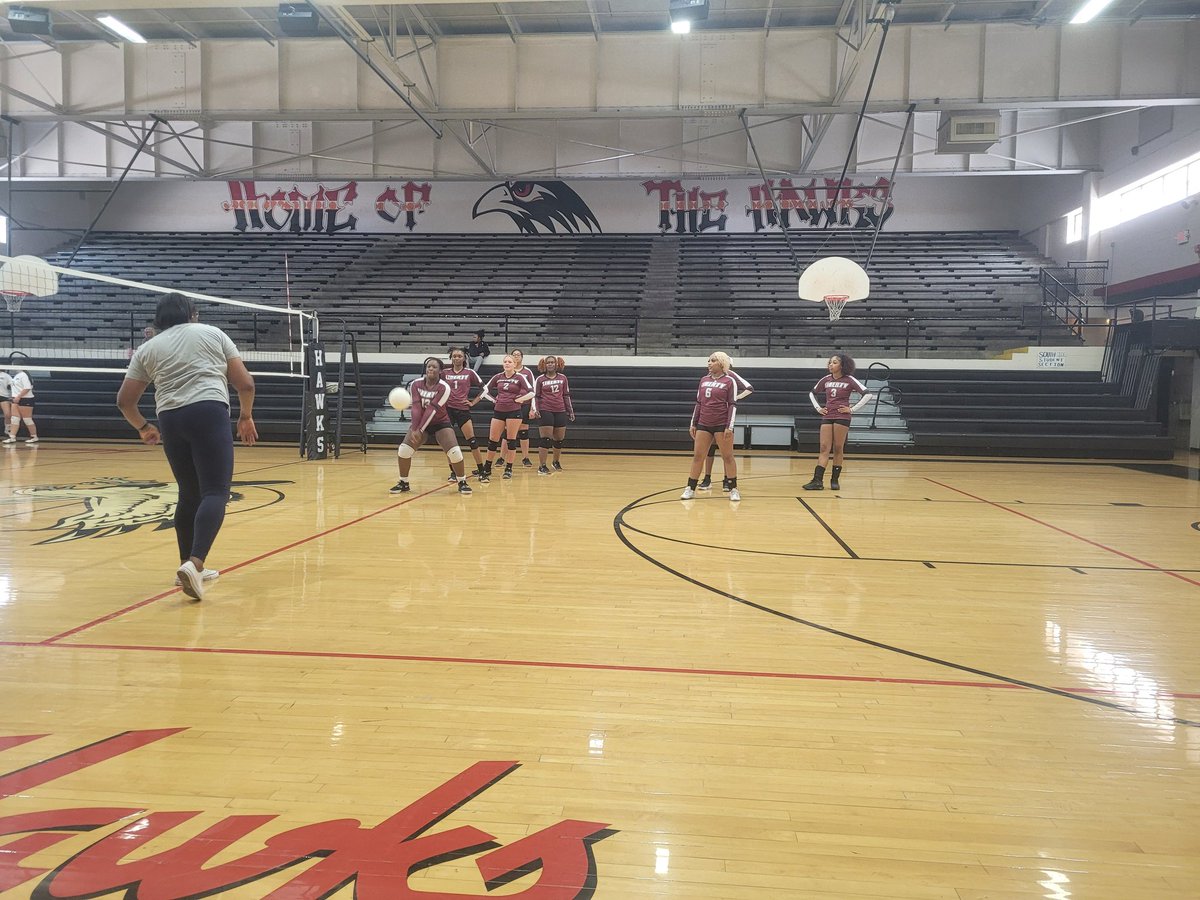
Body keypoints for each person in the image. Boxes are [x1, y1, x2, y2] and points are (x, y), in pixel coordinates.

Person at [116, 293, 258, 601]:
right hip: (207, 411)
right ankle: (195, 564)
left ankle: (187, 566)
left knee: (189, 494)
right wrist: (245, 416)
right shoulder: (211, 333)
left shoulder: (148, 348)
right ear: (191, 314)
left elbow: (125, 401)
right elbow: (245, 384)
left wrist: (143, 427)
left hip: (170, 419)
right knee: (215, 492)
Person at [391, 356, 473, 497]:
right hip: (420, 423)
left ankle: (462, 482)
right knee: (404, 450)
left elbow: (432, 409)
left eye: (434, 367)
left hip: (440, 422)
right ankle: (403, 482)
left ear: (440, 371)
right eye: (429, 366)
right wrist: (415, 428)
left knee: (455, 452)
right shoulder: (416, 384)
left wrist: (420, 429)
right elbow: (416, 407)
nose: (430, 369)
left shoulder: (444, 387)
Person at [802, 352, 874, 492]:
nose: (831, 364)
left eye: (834, 362)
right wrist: (818, 408)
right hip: (828, 415)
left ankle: (834, 480)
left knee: (838, 448)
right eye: (830, 362)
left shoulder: (849, 379)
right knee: (824, 447)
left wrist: (852, 409)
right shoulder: (826, 379)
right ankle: (817, 480)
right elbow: (812, 393)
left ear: (842, 365)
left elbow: (868, 394)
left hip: (842, 416)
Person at [681, 352, 743, 503]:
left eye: (713, 360)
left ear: (721, 363)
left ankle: (733, 489)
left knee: (727, 457)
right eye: (708, 360)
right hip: (704, 424)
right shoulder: (703, 380)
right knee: (698, 457)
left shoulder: (729, 381)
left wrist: (730, 426)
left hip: (722, 424)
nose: (709, 363)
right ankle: (690, 488)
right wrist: (693, 423)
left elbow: (732, 405)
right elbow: (699, 403)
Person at [478, 354, 534, 480]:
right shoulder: (498, 377)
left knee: (511, 440)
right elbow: (484, 390)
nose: (507, 363)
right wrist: (493, 400)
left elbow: (532, 392)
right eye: (505, 361)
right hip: (499, 411)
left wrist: (520, 399)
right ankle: (487, 468)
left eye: (510, 361)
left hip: (514, 412)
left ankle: (508, 468)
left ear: (515, 364)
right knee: (493, 440)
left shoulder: (520, 377)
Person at [700, 366, 752, 492]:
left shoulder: (730, 375)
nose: (711, 363)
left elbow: (749, 388)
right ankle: (707, 478)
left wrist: (735, 398)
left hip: (725, 417)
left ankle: (727, 480)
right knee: (709, 449)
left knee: (726, 452)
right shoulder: (709, 376)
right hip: (709, 417)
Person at [444, 347, 488, 482]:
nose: (457, 358)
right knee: (449, 443)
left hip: (463, 410)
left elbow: (485, 389)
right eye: (454, 356)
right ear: (451, 358)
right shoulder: (444, 373)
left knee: (472, 441)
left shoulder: (470, 372)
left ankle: (482, 471)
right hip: (448, 410)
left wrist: (473, 402)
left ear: (464, 358)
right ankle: (453, 473)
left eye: (459, 356)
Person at [531, 355, 575, 475]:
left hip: (560, 409)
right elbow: (535, 396)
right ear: (544, 365)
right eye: (548, 362)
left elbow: (566, 395)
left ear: (557, 364)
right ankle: (542, 466)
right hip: (545, 410)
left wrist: (570, 410)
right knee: (546, 439)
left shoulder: (563, 378)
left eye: (552, 362)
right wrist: (536, 409)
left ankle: (556, 461)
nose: (550, 364)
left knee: (559, 439)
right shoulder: (540, 379)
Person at [510, 349, 536, 467]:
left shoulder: (527, 372)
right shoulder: (508, 370)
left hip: (524, 404)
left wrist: (532, 408)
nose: (516, 357)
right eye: (514, 355)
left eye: (518, 355)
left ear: (522, 357)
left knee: (523, 431)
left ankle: (525, 458)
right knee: (508, 432)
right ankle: (502, 458)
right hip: (510, 405)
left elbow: (533, 390)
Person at [4, 358, 39, 445]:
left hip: (25, 399)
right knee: (14, 419)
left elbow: (27, 388)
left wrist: (19, 397)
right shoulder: (17, 375)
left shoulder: (24, 375)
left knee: (27, 419)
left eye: (13, 365)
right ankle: (12, 437)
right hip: (16, 399)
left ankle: (34, 436)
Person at [0, 368, 12, 444]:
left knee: (8, 414)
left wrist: (11, 396)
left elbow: (12, 385)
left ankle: (8, 430)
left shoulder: (6, 376)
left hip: (4, 396)